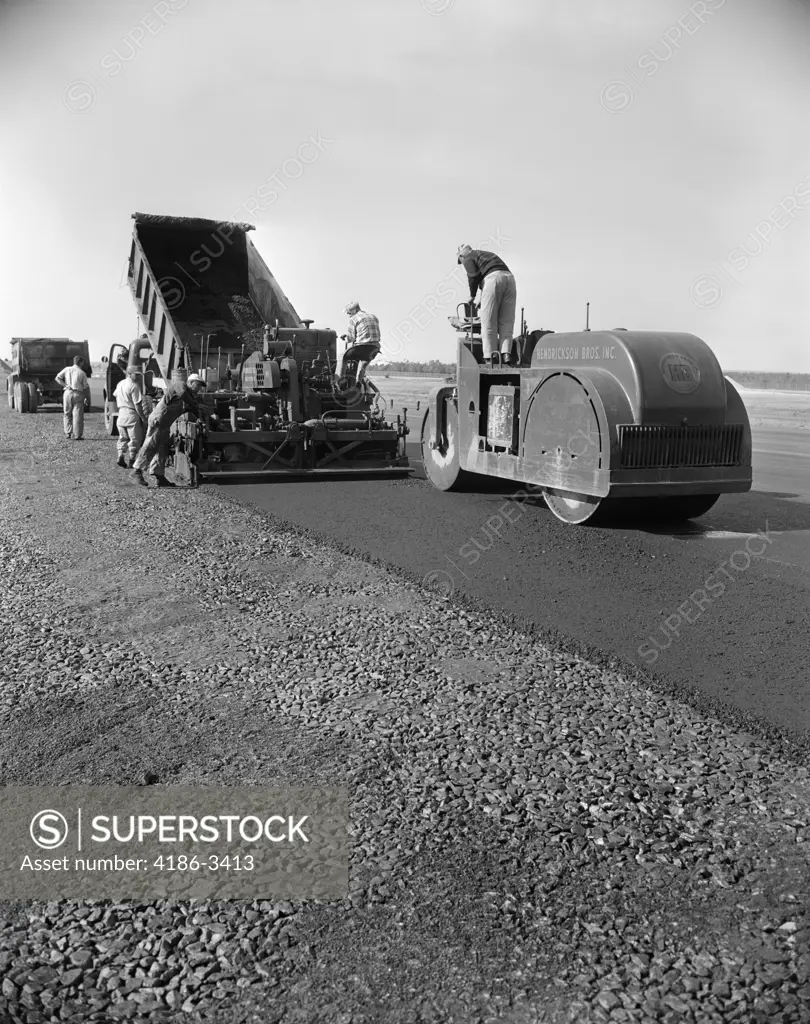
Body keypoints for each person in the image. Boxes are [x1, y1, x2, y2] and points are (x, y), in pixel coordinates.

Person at [129, 373, 207, 488]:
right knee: (151, 445)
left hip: (165, 424)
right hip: (159, 419)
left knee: (162, 448)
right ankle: (136, 471)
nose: (199, 388)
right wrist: (195, 404)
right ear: (190, 382)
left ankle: (159, 476)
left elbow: (194, 410)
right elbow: (182, 394)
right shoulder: (180, 386)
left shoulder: (189, 396)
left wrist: (207, 419)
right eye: (198, 385)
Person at [457, 244, 517, 364]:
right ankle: (506, 354)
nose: (462, 263)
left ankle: (490, 356)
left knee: (488, 321)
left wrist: (472, 296)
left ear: (462, 255)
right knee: (506, 321)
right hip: (510, 280)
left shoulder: (468, 258)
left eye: (460, 260)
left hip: (493, 280)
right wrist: (482, 298)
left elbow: (473, 277)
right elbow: (493, 274)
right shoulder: (484, 255)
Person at [336, 301, 380, 382]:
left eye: (349, 313)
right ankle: (358, 382)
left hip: (361, 347)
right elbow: (367, 331)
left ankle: (339, 381)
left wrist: (346, 338)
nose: (348, 315)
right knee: (363, 362)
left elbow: (351, 338)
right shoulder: (373, 316)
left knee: (342, 357)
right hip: (375, 347)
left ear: (354, 310)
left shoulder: (353, 319)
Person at [113, 365, 147, 468]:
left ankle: (121, 456)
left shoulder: (120, 384)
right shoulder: (134, 386)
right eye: (136, 374)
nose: (138, 377)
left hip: (121, 414)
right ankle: (132, 460)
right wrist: (143, 417)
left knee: (123, 438)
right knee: (134, 439)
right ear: (129, 374)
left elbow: (115, 396)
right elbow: (137, 404)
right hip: (131, 414)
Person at [55, 355, 91, 440]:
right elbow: (85, 387)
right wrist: (87, 397)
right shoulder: (82, 373)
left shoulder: (67, 369)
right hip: (78, 394)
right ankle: (77, 435)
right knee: (77, 415)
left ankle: (68, 433)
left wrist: (66, 385)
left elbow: (57, 378)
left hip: (67, 393)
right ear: (81, 362)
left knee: (67, 413)